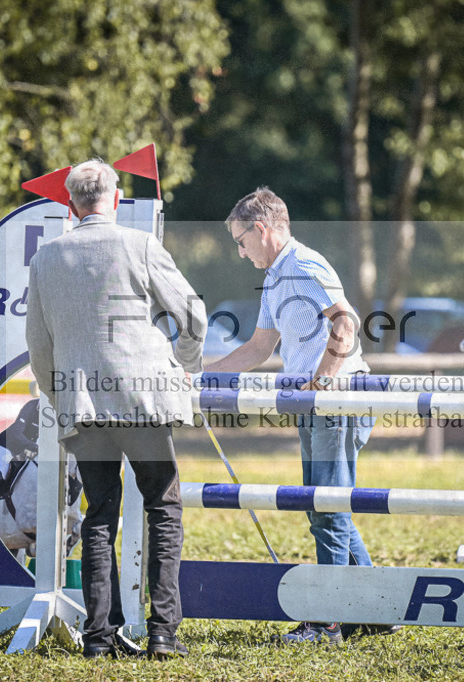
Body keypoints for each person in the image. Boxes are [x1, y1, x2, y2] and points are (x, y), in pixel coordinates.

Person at [204, 187, 401, 644]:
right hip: (315, 405)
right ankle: (379, 609)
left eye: (241, 241)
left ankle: (327, 622)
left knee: (327, 508)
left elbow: (346, 323)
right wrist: (201, 375)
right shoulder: (276, 275)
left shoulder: (303, 266)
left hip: (335, 402)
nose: (240, 252)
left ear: (261, 228)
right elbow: (257, 349)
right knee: (325, 507)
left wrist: (322, 382)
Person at [26, 159, 205, 659]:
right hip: (141, 400)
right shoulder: (141, 245)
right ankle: (163, 632)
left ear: (71, 203)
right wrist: (186, 365)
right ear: (116, 197)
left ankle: (99, 637)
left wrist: (58, 393)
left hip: (81, 402)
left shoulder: (45, 259)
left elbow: (39, 346)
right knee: (163, 507)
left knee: (99, 515)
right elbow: (193, 315)